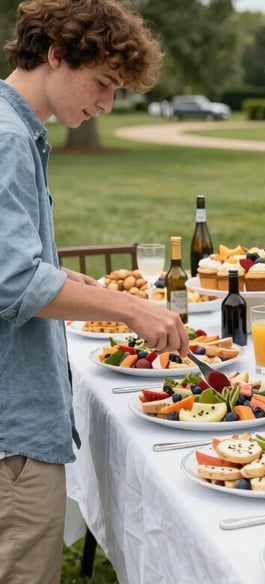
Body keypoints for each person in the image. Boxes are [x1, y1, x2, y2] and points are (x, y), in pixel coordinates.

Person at [0, 2, 190, 582]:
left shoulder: (16, 131)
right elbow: (13, 283)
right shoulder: (8, 138)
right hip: (13, 438)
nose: (107, 103)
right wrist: (131, 307)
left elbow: (20, 264)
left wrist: (64, 276)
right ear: (56, 55)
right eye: (103, 83)